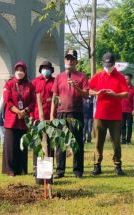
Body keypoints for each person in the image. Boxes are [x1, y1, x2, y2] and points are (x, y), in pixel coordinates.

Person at [50, 49, 89, 179]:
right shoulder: (59, 77)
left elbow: (86, 95)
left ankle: (78, 171)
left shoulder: (82, 76)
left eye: (72, 59)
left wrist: (76, 87)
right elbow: (55, 96)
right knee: (60, 142)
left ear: (76, 61)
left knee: (77, 142)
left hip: (76, 113)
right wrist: (52, 114)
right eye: (67, 59)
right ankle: (60, 170)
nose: (69, 61)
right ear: (64, 61)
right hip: (61, 113)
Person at [89, 52, 128, 176]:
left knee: (116, 142)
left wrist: (114, 95)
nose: (108, 67)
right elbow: (87, 90)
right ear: (102, 63)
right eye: (106, 65)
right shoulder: (98, 75)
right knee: (98, 141)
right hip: (100, 114)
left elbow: (126, 94)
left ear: (114, 64)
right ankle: (97, 165)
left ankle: (117, 165)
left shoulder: (120, 77)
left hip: (115, 116)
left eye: (110, 65)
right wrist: (96, 93)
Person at [2, 60, 35, 176]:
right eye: (17, 70)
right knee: (11, 146)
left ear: (25, 72)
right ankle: (10, 170)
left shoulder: (30, 85)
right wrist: (18, 111)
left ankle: (22, 169)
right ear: (14, 71)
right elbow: (8, 100)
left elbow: (33, 101)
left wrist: (25, 111)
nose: (19, 72)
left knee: (22, 145)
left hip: (23, 121)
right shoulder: (9, 84)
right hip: (12, 120)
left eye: (22, 70)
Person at [32, 60, 55, 184]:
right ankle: (37, 170)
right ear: (41, 70)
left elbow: (56, 98)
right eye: (44, 68)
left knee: (49, 146)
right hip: (37, 118)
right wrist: (32, 116)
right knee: (38, 145)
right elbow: (31, 101)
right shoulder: (35, 82)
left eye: (48, 68)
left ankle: (48, 173)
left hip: (50, 119)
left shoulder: (54, 81)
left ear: (51, 70)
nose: (46, 70)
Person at [121, 73, 134, 144]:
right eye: (124, 79)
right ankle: (123, 139)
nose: (125, 80)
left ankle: (128, 140)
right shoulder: (121, 87)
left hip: (130, 110)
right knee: (122, 125)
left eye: (126, 79)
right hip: (121, 110)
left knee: (130, 126)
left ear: (130, 79)